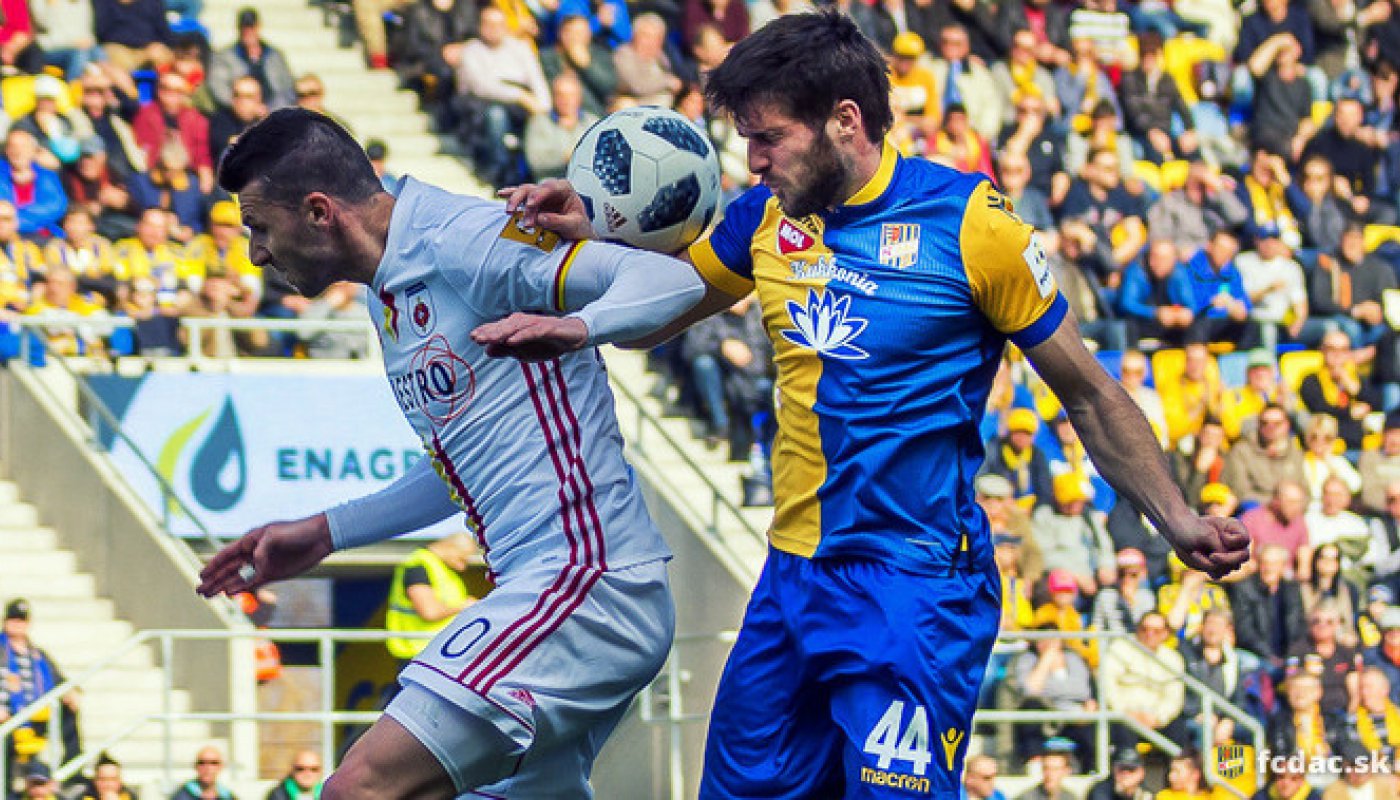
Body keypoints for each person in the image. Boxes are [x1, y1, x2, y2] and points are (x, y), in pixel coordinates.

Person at [500, 12, 1249, 797]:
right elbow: (657, 314)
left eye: (769, 138)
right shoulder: (764, 216)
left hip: (914, 589)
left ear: (845, 120)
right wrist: (595, 230)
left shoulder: (971, 225)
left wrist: (1178, 519)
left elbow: (1089, 393)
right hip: (791, 581)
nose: (752, 162)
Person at [195, 108, 700, 799]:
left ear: (318, 211)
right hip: (553, 589)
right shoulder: (387, 293)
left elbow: (673, 284)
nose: (255, 253)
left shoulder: (464, 238)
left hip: (586, 584)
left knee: (359, 789)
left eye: (258, 226)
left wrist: (578, 327)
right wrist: (325, 532)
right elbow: (459, 462)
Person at [384, 534, 480, 664]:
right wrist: (463, 606)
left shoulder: (441, 568)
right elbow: (429, 612)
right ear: (450, 547)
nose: (463, 566)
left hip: (436, 649)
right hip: (419, 650)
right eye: (462, 559)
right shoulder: (419, 565)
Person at [169, 746, 236, 800]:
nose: (207, 767)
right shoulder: (183, 795)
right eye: (202, 763)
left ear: (221, 766)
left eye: (213, 763)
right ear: (195, 766)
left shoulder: (228, 797)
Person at [1086, 749, 1152, 800]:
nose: (1125, 773)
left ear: (1141, 773)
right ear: (1113, 769)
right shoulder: (1101, 791)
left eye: (1131, 769)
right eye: (1121, 768)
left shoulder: (1145, 794)